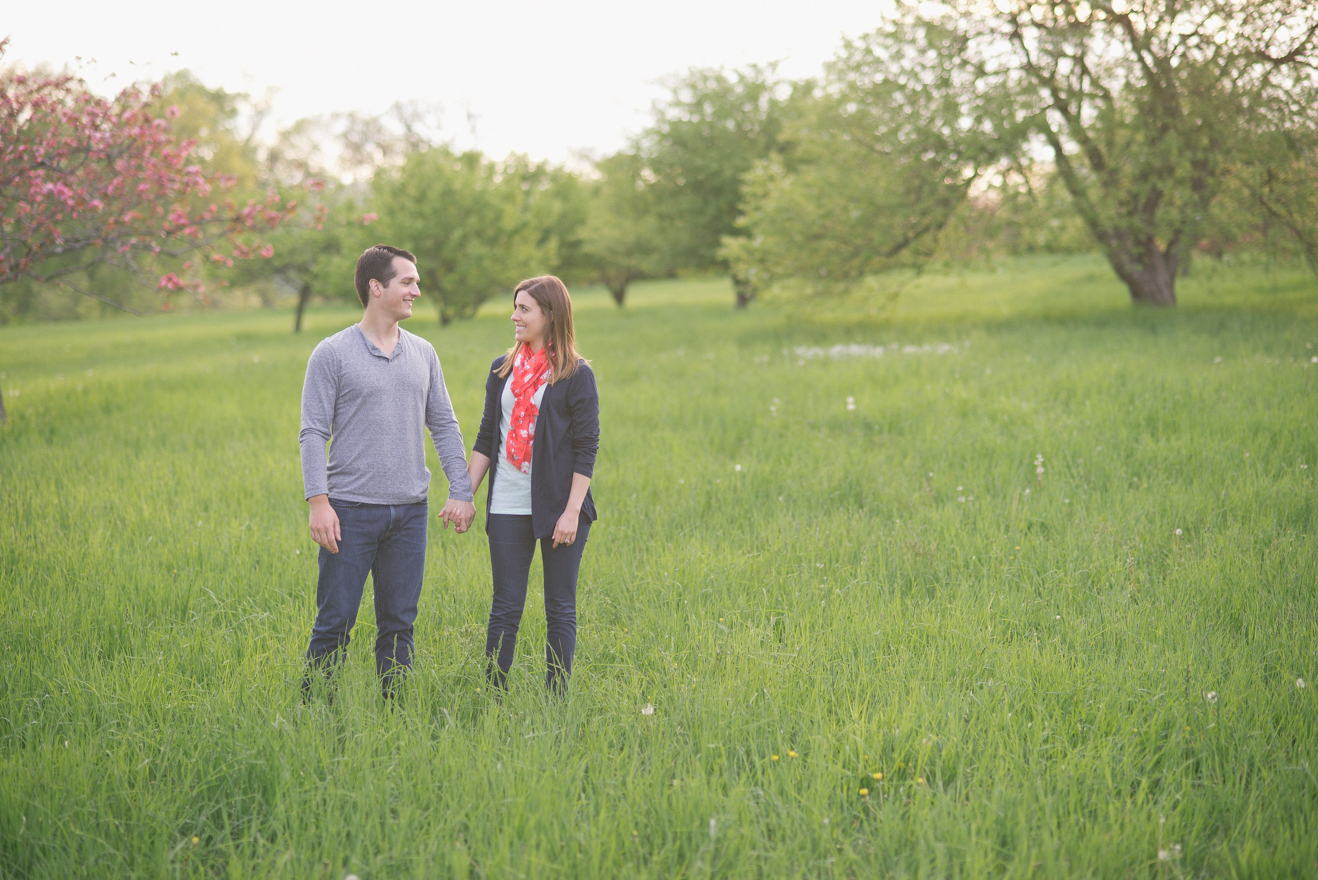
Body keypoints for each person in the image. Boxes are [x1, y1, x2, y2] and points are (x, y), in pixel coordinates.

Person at [299, 244, 475, 700]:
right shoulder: (332, 354)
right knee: (335, 622)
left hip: (410, 514)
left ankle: (396, 715)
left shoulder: (424, 353)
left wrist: (462, 489)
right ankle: (313, 711)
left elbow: (444, 424)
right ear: (376, 288)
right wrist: (318, 502)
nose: (417, 289)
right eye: (407, 282)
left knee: (399, 624)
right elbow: (313, 432)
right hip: (349, 513)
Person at [468, 276, 599, 695]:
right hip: (507, 501)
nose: (514, 316)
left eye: (524, 309)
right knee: (505, 606)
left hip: (560, 504)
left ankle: (556, 698)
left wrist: (571, 512)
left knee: (560, 607)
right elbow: (488, 433)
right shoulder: (501, 368)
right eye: (515, 307)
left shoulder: (576, 374)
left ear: (550, 314)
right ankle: (492, 695)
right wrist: (463, 494)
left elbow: (586, 447)